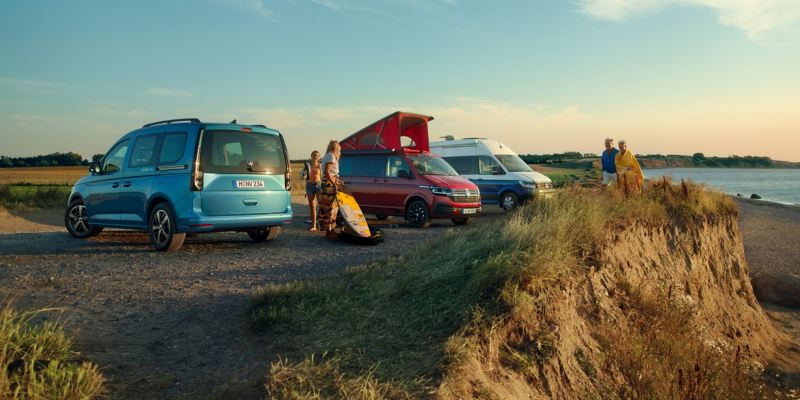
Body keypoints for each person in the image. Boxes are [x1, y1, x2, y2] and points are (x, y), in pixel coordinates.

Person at [318, 140, 342, 239]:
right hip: (329, 185)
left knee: (331, 208)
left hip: (329, 183)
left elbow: (330, 173)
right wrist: (334, 184)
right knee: (330, 208)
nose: (340, 150)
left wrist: (338, 181)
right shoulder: (331, 156)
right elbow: (327, 173)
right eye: (339, 148)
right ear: (336, 147)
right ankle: (329, 231)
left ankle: (331, 230)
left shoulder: (328, 155)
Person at [302, 150, 322, 232]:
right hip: (309, 186)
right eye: (313, 155)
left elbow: (323, 176)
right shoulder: (307, 165)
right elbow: (302, 176)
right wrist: (303, 175)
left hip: (318, 185)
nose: (315, 156)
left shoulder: (320, 166)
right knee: (312, 207)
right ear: (311, 156)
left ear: (319, 157)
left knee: (321, 206)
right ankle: (313, 226)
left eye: (317, 155)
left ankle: (321, 224)